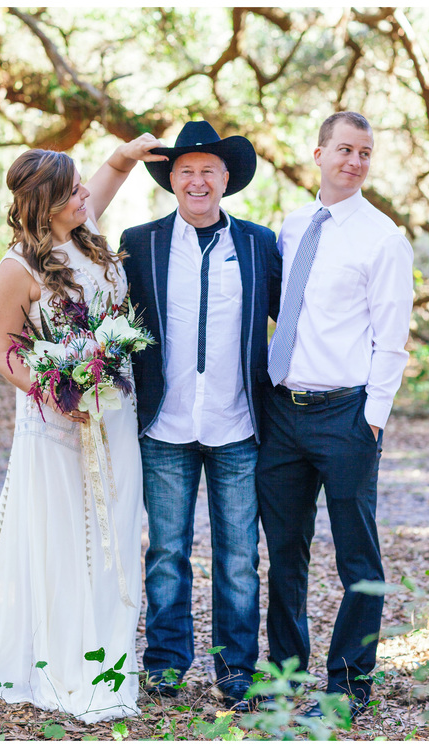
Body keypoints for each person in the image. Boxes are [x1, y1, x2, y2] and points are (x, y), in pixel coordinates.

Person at [0, 135, 167, 723]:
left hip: (116, 412)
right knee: (66, 536)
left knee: (118, 527)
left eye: (83, 185)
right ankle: (63, 660)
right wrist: (53, 389)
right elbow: (1, 348)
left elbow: (111, 171)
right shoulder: (18, 267)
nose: (86, 193)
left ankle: (109, 655)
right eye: (73, 189)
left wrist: (135, 151)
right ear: (46, 203)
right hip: (57, 421)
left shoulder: (88, 233)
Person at [119, 121, 281, 711]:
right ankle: (165, 665)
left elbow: (288, 324)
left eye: (207, 169)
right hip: (165, 424)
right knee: (166, 551)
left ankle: (237, 668)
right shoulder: (141, 243)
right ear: (171, 180)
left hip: (239, 424)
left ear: (226, 178)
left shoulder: (261, 243)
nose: (196, 180)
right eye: (185, 170)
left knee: (239, 556)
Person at [256, 112, 413, 720]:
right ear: (318, 152)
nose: (354, 161)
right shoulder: (293, 227)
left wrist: (372, 419)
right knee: (285, 550)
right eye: (344, 149)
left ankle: (348, 684)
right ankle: (285, 675)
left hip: (346, 415)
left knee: (357, 557)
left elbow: (392, 340)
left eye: (365, 153)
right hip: (283, 412)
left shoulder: (383, 238)